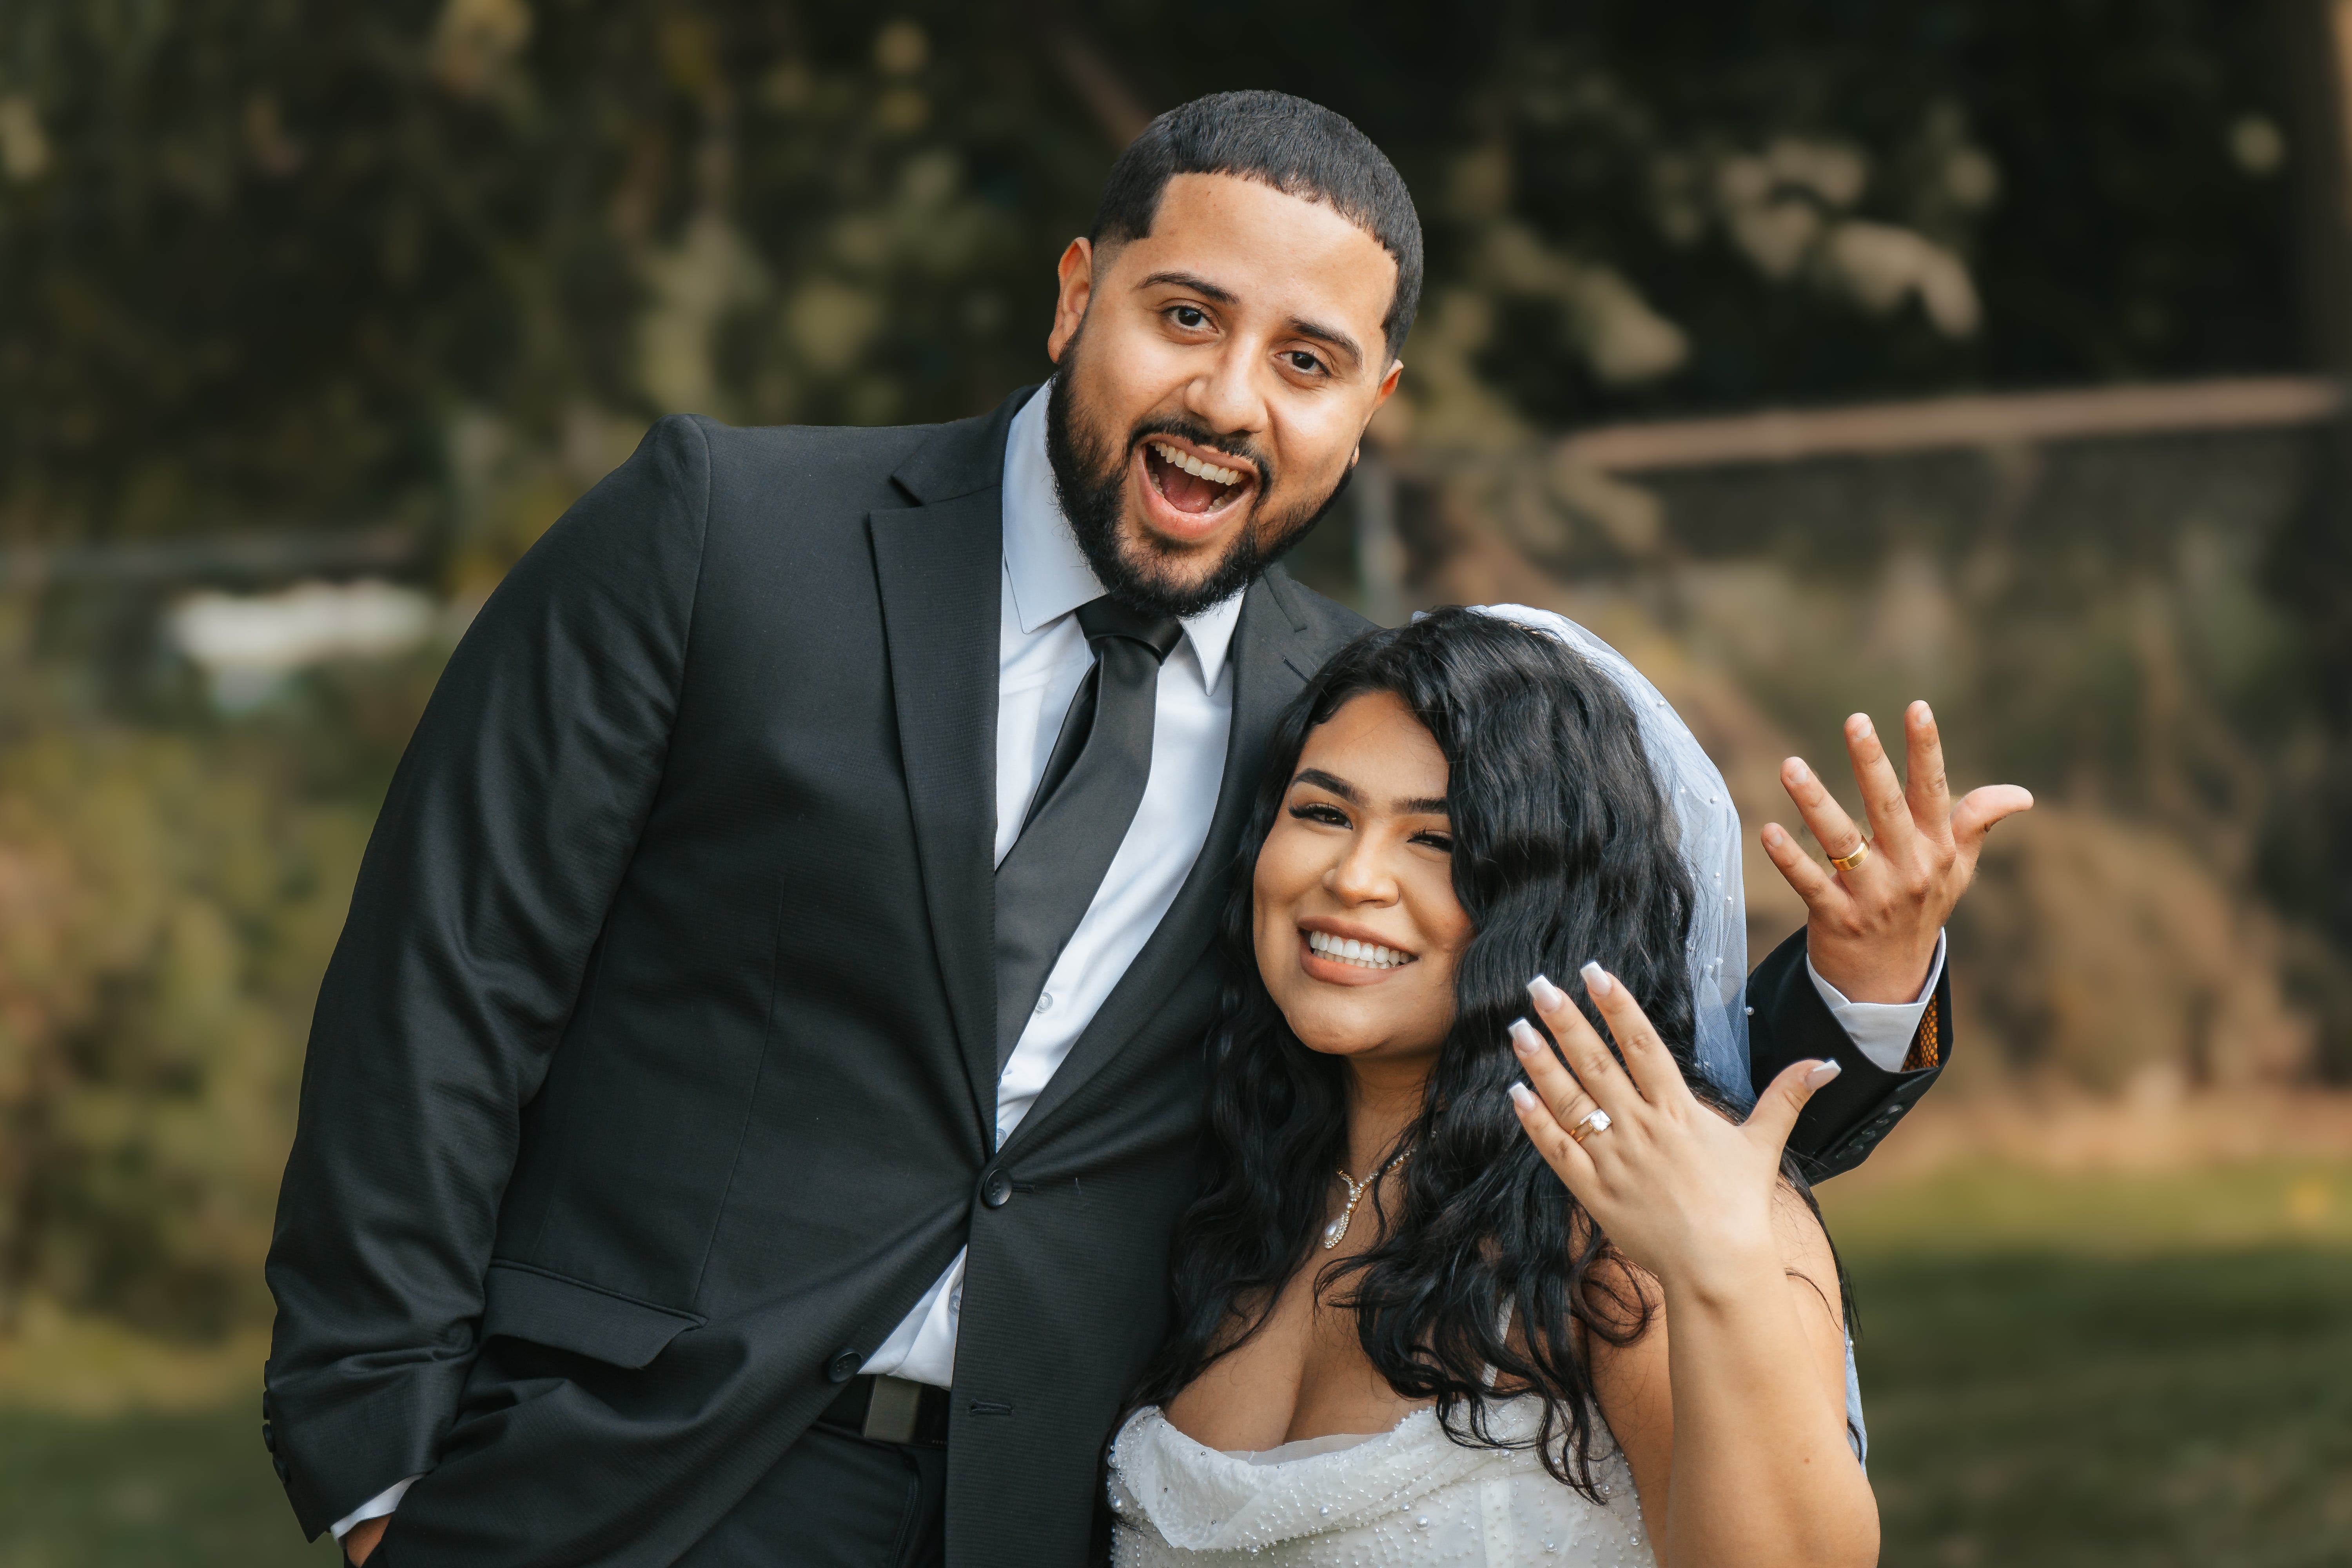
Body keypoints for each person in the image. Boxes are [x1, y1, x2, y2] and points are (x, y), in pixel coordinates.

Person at [262, 92, 2004, 1568]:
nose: (1232, 401)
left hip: (1040, 1513)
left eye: (1307, 362)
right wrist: (379, 1464)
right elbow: (444, 983)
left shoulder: (1349, 724)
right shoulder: (725, 534)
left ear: (1373, 407)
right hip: (619, 1482)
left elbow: (1564, 1026)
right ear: (1075, 294)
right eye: (1186, 317)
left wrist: (1860, 982)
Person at [1109, 607, 1976, 1564]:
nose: (1354, 877)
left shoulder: (1648, 1216)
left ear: (1551, 903)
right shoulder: (1227, 1191)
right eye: (1324, 813)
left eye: (1440, 840)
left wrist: (1724, 1270)